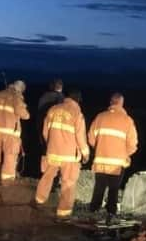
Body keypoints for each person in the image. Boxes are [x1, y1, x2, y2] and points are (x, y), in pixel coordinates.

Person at [34, 89, 89, 219]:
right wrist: (85, 153)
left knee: (47, 177)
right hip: (69, 156)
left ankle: (39, 200)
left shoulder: (53, 109)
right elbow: (80, 137)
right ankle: (63, 213)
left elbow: (45, 132)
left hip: (52, 152)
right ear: (78, 100)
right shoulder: (77, 113)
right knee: (68, 182)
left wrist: (50, 145)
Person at [88, 92, 138, 225]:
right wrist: (125, 154)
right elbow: (133, 145)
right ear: (121, 103)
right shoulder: (127, 121)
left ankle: (93, 211)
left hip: (101, 161)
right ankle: (110, 214)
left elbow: (91, 138)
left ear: (111, 102)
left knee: (99, 187)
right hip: (117, 163)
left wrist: (100, 149)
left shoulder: (100, 117)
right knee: (114, 189)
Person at [0, 80, 30, 183]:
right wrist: (25, 110)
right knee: (10, 155)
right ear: (20, 89)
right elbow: (24, 115)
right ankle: (7, 180)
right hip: (10, 133)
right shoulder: (17, 97)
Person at [37, 79, 64, 148]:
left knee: (45, 148)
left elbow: (39, 111)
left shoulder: (44, 96)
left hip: (42, 125)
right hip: (55, 128)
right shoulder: (61, 98)